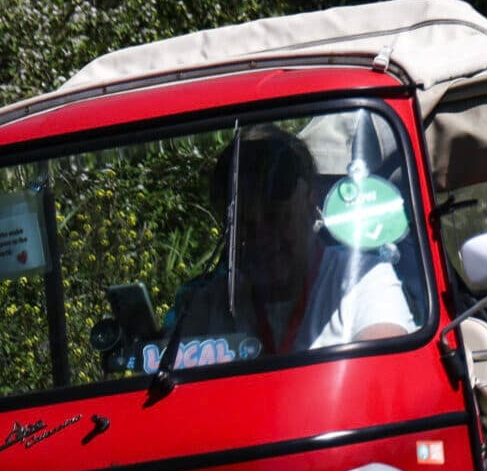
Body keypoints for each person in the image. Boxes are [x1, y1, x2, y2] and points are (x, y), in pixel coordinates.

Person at [166, 127, 419, 364]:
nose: (263, 238)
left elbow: (386, 365)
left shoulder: (360, 277)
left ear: (311, 203)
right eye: (244, 227)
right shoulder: (205, 304)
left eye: (276, 217)